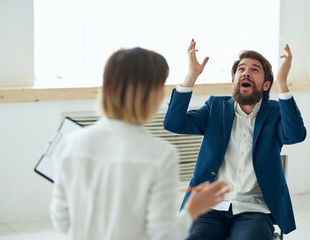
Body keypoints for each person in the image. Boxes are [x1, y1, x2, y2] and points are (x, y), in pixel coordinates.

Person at [49, 47, 228, 240]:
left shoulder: (69, 143)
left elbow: (61, 222)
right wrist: (193, 210)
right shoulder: (161, 155)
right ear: (153, 94)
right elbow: (165, 235)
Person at [163, 39, 306, 240]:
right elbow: (173, 124)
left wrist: (282, 82)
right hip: (211, 205)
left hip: (255, 209)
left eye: (254, 70)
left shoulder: (275, 112)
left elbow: (295, 135)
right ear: (234, 81)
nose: (246, 72)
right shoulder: (216, 107)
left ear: (266, 85)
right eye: (241, 69)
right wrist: (191, 75)